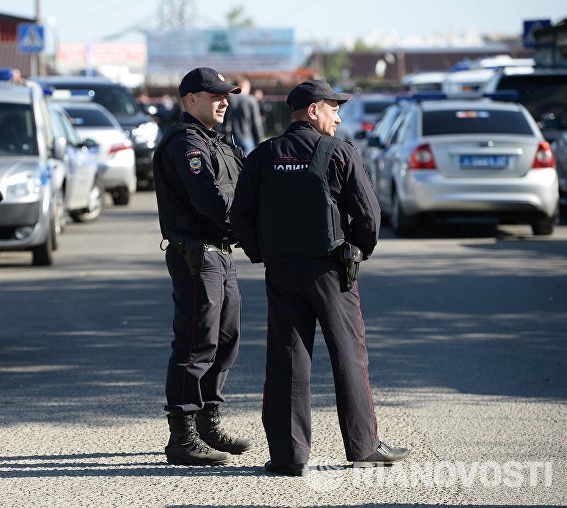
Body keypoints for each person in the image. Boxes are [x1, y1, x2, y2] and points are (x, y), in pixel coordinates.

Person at [230, 80, 409, 476]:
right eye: (333, 107)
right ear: (313, 110)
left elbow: (240, 216)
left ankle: (288, 456)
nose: (339, 115)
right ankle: (363, 447)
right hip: (331, 271)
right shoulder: (339, 153)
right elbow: (368, 216)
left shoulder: (262, 155)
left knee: (286, 360)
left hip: (281, 272)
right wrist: (358, 249)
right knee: (349, 356)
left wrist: (262, 253)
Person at [152, 67, 252, 466]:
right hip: (197, 255)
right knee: (196, 343)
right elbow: (210, 201)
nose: (224, 101)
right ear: (191, 99)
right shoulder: (186, 145)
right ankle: (183, 433)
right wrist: (250, 226)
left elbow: (246, 188)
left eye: (226, 95)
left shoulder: (219, 143)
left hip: (221, 253)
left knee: (226, 339)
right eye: (216, 95)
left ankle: (209, 420)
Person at [223, 76, 264, 154]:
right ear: (246, 86)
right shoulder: (251, 100)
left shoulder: (230, 99)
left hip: (232, 137)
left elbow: (225, 120)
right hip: (248, 137)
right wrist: (259, 139)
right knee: (248, 164)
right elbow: (256, 122)